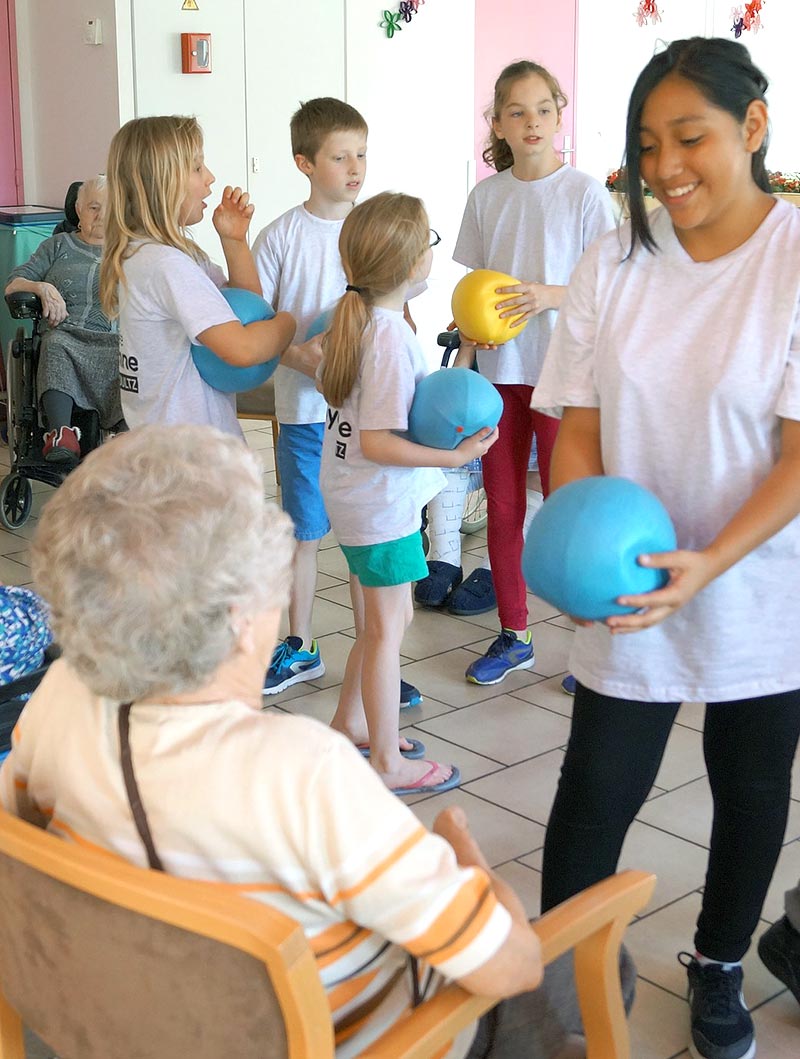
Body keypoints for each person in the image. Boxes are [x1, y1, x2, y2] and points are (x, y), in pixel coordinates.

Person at [0, 422, 586, 1059]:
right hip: (355, 1037)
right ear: (235, 619)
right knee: (584, 972)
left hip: (142, 1022)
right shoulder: (303, 775)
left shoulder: (57, 701)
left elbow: (20, 844)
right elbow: (508, 966)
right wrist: (464, 850)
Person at [532, 36, 800, 1059]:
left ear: (753, 129)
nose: (664, 167)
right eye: (646, 143)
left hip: (757, 578)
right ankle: (562, 983)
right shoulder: (614, 259)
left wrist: (711, 563)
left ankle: (719, 963)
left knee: (747, 787)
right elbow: (580, 425)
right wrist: (575, 540)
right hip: (629, 585)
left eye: (689, 138)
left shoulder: (788, 261)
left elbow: (793, 455)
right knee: (594, 789)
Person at [319, 192, 497, 796]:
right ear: (409, 262)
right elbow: (380, 441)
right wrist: (454, 458)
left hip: (357, 498)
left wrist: (467, 349)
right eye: (430, 241)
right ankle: (388, 764)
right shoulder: (389, 336)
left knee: (376, 623)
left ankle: (349, 724)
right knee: (388, 630)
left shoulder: (367, 322)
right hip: (379, 505)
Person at [252, 98, 423, 711]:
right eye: (340, 155)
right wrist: (305, 359)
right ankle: (300, 643)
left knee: (365, 537)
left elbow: (400, 313)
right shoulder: (280, 237)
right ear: (304, 163)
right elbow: (260, 329)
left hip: (364, 419)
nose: (355, 166)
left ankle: (373, 649)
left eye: (362, 154)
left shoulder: (376, 230)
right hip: (304, 414)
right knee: (305, 531)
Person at [453, 60, 615, 687]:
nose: (531, 122)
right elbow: (471, 290)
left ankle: (593, 646)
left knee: (569, 512)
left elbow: (611, 288)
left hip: (565, 379)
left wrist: (551, 295)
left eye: (542, 109)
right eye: (515, 112)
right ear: (496, 122)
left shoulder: (584, 194)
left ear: (559, 114)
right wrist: (463, 363)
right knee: (501, 506)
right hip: (499, 378)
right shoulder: (485, 197)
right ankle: (514, 633)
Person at [99, 116, 296, 436]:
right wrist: (287, 324)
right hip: (192, 458)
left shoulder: (152, 256)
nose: (211, 178)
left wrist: (234, 242)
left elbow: (249, 308)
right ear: (162, 182)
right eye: (196, 167)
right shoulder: (166, 265)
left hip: (168, 449)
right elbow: (242, 348)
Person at [5, 176, 124, 462]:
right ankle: (60, 433)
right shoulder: (58, 246)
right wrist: (39, 286)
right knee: (54, 342)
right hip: (66, 337)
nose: (102, 215)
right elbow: (12, 284)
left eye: (109, 208)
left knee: (136, 351)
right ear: (78, 210)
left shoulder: (131, 251)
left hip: (116, 341)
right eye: (94, 207)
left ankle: (125, 431)